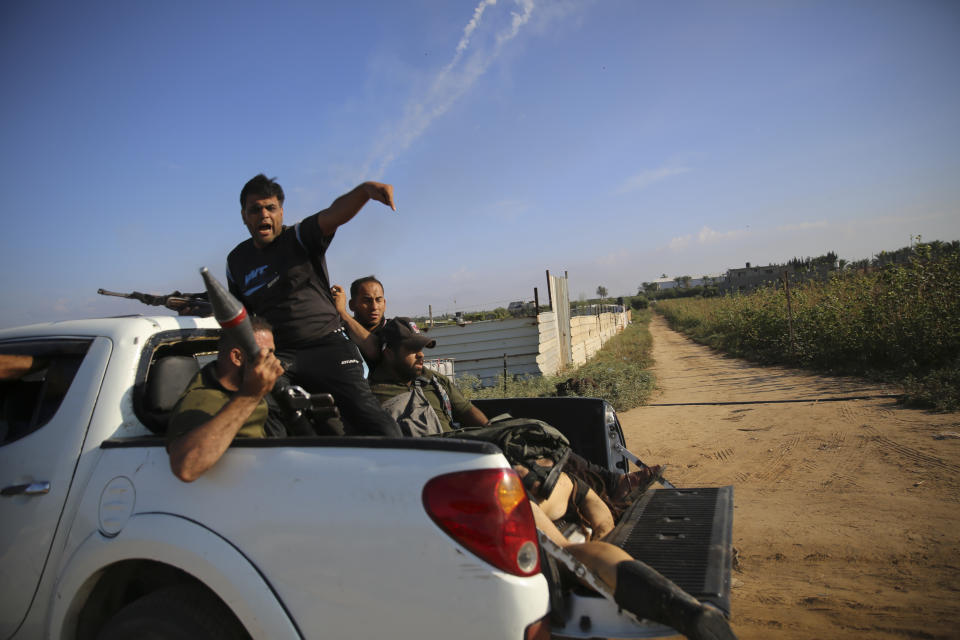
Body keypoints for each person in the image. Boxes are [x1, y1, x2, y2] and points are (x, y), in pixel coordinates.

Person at [225, 174, 401, 438]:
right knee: (261, 408)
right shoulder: (236, 261)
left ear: (281, 212)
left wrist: (365, 191)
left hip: (328, 346)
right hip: (281, 355)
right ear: (244, 216)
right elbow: (241, 317)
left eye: (270, 208)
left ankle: (402, 466)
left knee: (371, 419)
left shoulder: (298, 238)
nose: (264, 215)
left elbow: (334, 214)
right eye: (255, 209)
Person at [166, 316, 284, 482]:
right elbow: (186, 467)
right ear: (237, 357)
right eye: (266, 355)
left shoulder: (256, 390)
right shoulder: (202, 400)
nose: (274, 363)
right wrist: (250, 396)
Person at [368, 317, 488, 435]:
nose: (421, 355)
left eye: (420, 348)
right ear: (389, 353)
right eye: (412, 349)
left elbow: (470, 414)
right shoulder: (371, 394)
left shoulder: (435, 381)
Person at [331, 275, 386, 368]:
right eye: (367, 301)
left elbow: (376, 352)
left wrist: (342, 312)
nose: (374, 307)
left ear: (384, 304)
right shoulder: (339, 331)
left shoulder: (396, 329)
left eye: (378, 300)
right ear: (352, 305)